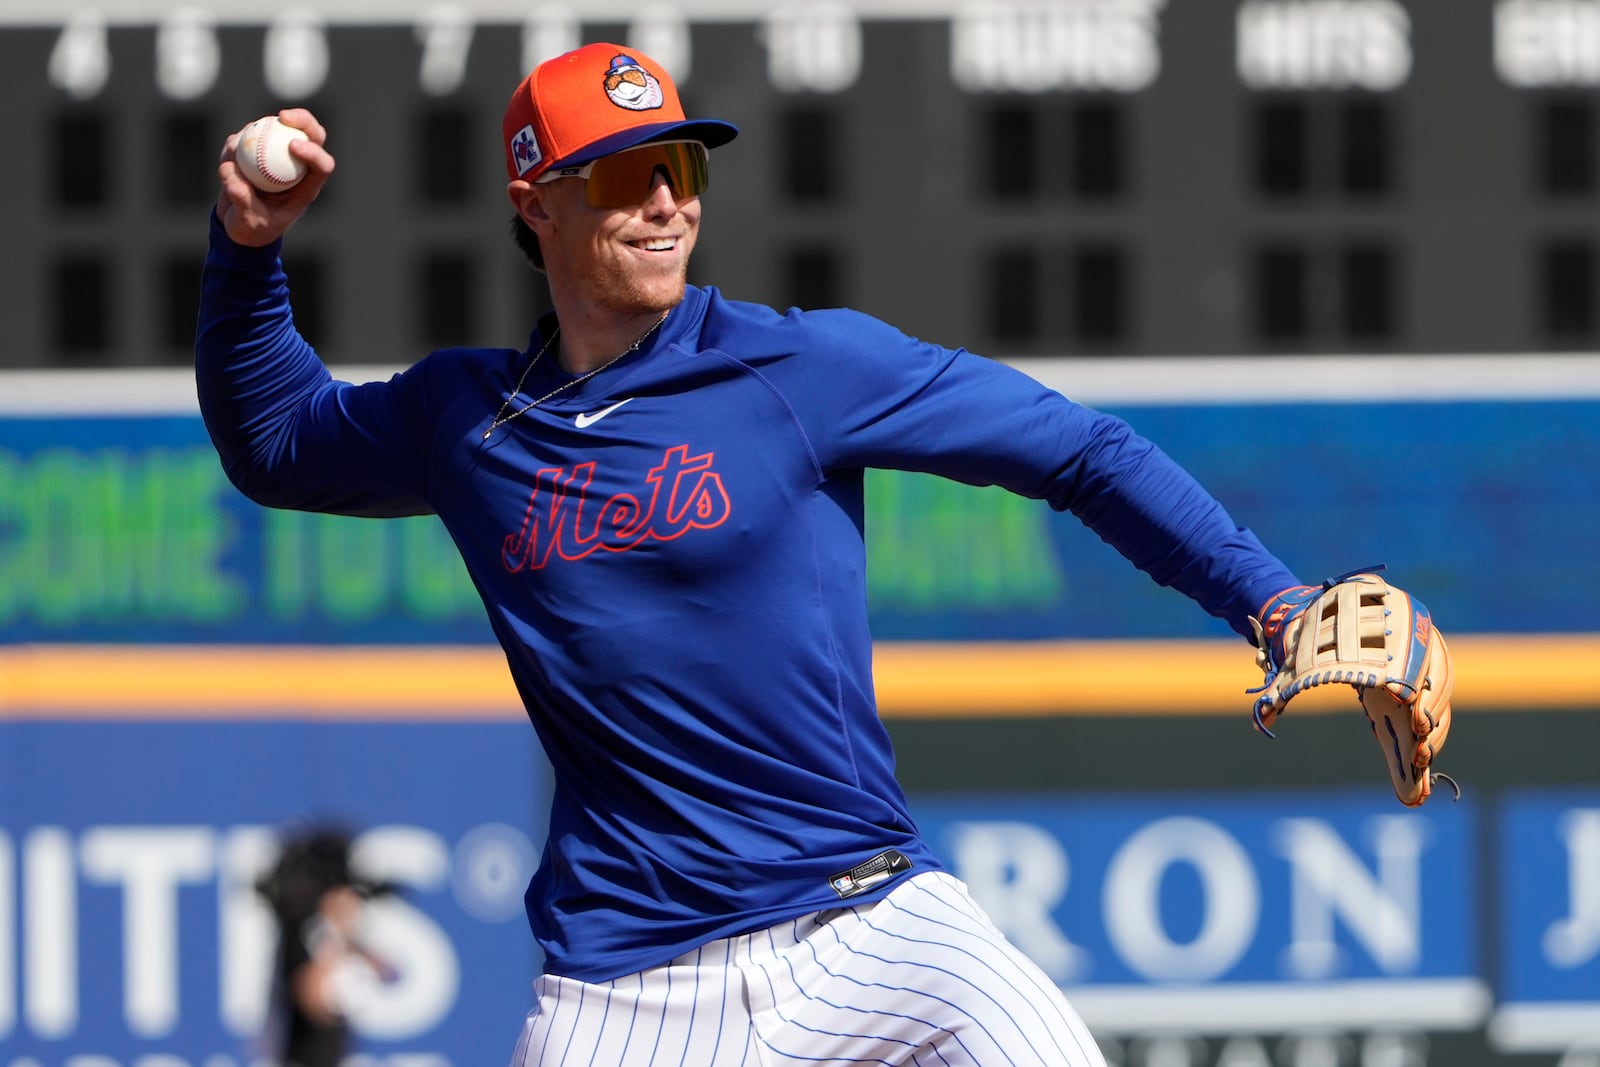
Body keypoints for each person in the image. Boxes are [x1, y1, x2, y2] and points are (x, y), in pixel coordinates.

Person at [196, 41, 1435, 1067]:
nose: (669, 199)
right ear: (539, 203)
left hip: (873, 924)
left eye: (679, 164)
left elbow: (1078, 449)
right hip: (625, 986)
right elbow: (274, 441)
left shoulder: (799, 369)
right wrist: (248, 242)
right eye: (625, 173)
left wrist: (1273, 601)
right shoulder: (468, 420)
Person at [254, 826, 398, 1067]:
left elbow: (392, 975)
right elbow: (313, 1002)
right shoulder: (302, 936)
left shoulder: (346, 940)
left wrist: (347, 937)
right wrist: (335, 942)